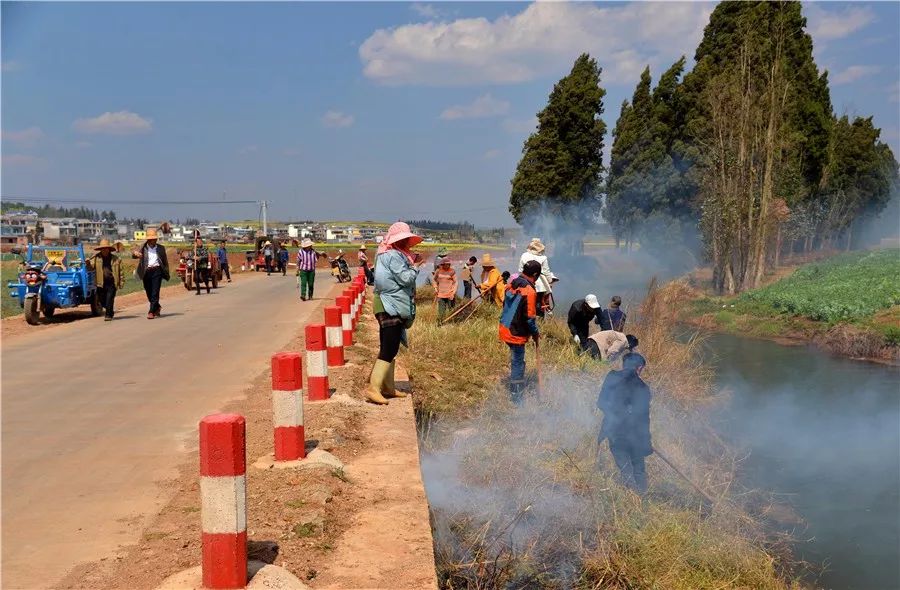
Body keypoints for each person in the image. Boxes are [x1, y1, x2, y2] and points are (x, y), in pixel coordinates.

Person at [368, 222, 425, 405]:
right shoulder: (393, 256)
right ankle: (373, 388)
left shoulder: (387, 253)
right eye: (405, 239)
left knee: (389, 345)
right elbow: (406, 279)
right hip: (389, 304)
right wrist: (415, 266)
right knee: (390, 347)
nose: (408, 242)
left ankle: (387, 387)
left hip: (389, 303)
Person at [597, 352, 652, 494]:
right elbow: (644, 418)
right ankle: (641, 498)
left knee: (625, 467)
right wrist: (646, 443)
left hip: (614, 431)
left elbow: (601, 403)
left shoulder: (612, 377)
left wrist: (614, 416)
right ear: (639, 368)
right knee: (638, 469)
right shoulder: (644, 389)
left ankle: (632, 497)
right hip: (635, 435)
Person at [498, 260, 542, 406]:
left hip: (504, 326)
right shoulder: (529, 291)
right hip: (515, 332)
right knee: (518, 363)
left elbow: (506, 303)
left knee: (516, 359)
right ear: (535, 275)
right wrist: (535, 333)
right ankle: (516, 397)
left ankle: (515, 389)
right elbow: (530, 319)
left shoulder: (512, 282)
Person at [132, 228, 169, 319]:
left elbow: (165, 261)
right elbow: (133, 255)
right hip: (146, 272)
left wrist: (165, 271)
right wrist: (136, 254)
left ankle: (151, 311)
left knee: (155, 292)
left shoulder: (161, 248)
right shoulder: (142, 247)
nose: (154, 240)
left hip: (157, 271)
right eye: (152, 239)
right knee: (148, 291)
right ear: (148, 239)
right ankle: (157, 306)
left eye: (155, 238)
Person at [518, 238, 553, 317]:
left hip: (525, 283)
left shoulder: (524, 255)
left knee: (526, 303)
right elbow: (546, 272)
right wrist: (550, 281)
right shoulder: (543, 257)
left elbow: (520, 270)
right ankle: (540, 322)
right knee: (539, 304)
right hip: (540, 286)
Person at [91, 239, 124, 321]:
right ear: (100, 249)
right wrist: (88, 263)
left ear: (109, 249)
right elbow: (90, 267)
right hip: (100, 283)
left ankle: (108, 315)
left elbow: (121, 271)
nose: (104, 250)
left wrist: (121, 282)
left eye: (106, 248)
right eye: (103, 248)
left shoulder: (116, 259)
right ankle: (110, 310)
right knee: (102, 300)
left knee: (109, 298)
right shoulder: (96, 258)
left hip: (112, 282)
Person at [431, 257, 458, 322]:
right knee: (441, 311)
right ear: (442, 264)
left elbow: (456, 282)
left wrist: (453, 292)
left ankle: (452, 322)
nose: (447, 265)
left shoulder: (452, 271)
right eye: (446, 264)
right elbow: (434, 280)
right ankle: (441, 322)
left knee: (451, 310)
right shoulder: (438, 271)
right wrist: (435, 288)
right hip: (441, 294)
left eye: (448, 264)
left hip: (450, 294)